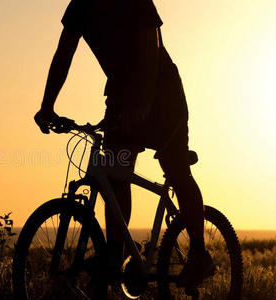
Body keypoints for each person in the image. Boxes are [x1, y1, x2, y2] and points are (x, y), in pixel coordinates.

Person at [34, 0, 214, 290]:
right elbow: (63, 53)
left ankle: (198, 253)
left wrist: (142, 102)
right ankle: (114, 254)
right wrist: (47, 106)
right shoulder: (81, 6)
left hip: (161, 91)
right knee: (115, 170)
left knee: (176, 168)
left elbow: (151, 45)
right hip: (120, 94)